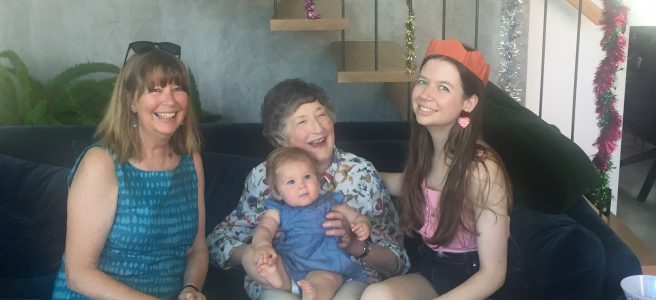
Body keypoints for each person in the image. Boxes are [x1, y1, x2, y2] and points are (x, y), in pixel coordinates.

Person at [207, 78, 410, 300]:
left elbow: (397, 261)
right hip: (285, 278)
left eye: (322, 115)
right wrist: (257, 250)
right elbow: (219, 241)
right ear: (279, 138)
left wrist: (358, 246)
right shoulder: (263, 178)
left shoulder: (361, 173)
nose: (318, 127)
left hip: (347, 278)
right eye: (302, 121)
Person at [361, 39, 518, 300]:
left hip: (478, 282)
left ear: (468, 103)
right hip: (434, 270)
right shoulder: (428, 148)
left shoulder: (482, 170)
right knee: (375, 296)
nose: (425, 94)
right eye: (423, 82)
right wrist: (350, 170)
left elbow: (493, 275)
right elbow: (412, 185)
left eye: (443, 87)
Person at [51, 41, 208, 299]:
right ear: (131, 101)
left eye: (177, 88)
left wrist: (191, 289)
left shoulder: (192, 161)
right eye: (154, 90)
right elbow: (78, 274)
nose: (169, 100)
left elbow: (197, 249)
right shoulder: (101, 163)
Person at [251, 146, 370, 299]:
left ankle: (314, 294)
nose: (302, 185)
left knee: (327, 279)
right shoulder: (278, 210)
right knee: (273, 261)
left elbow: (357, 217)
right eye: (291, 181)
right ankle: (276, 275)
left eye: (307, 177)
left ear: (318, 179)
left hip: (326, 263)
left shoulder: (330, 202)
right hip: (290, 260)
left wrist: (362, 225)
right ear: (277, 192)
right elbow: (265, 229)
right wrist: (262, 245)